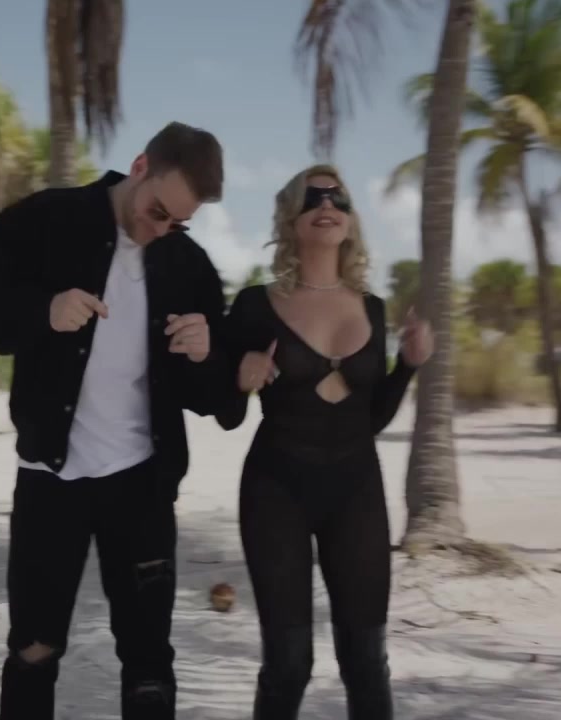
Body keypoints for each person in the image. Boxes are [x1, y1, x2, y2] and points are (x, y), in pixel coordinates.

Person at [0, 122, 242, 720]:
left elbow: (220, 403)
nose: (160, 229)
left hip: (142, 485)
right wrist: (43, 311)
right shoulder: (45, 220)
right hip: (48, 478)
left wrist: (208, 353)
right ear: (139, 167)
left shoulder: (188, 265)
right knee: (33, 650)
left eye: (177, 223)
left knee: (148, 664)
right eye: (157, 211)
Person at [218, 165, 433, 719]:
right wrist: (239, 379)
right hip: (276, 489)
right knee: (289, 662)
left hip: (355, 489)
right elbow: (226, 414)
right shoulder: (255, 305)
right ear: (291, 218)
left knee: (366, 661)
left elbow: (370, 419)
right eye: (313, 197)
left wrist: (408, 366)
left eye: (339, 198)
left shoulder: (372, 308)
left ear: (351, 220)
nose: (327, 205)